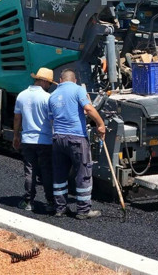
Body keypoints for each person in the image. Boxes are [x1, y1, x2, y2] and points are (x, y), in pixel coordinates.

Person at [47, 68, 106, 219]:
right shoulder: (78, 90)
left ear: (60, 80)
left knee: (60, 173)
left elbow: (52, 118)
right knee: (83, 172)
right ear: (74, 80)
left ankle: (60, 208)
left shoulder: (52, 96)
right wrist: (100, 124)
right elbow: (88, 108)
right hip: (76, 138)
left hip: (58, 138)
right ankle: (83, 211)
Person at [13, 67, 56, 213]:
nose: (49, 86)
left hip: (27, 140)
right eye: (49, 83)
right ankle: (50, 202)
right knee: (46, 172)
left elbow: (17, 118)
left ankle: (28, 201)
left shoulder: (21, 95)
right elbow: (52, 121)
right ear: (44, 81)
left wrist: (15, 136)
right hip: (44, 141)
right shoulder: (47, 98)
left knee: (30, 171)